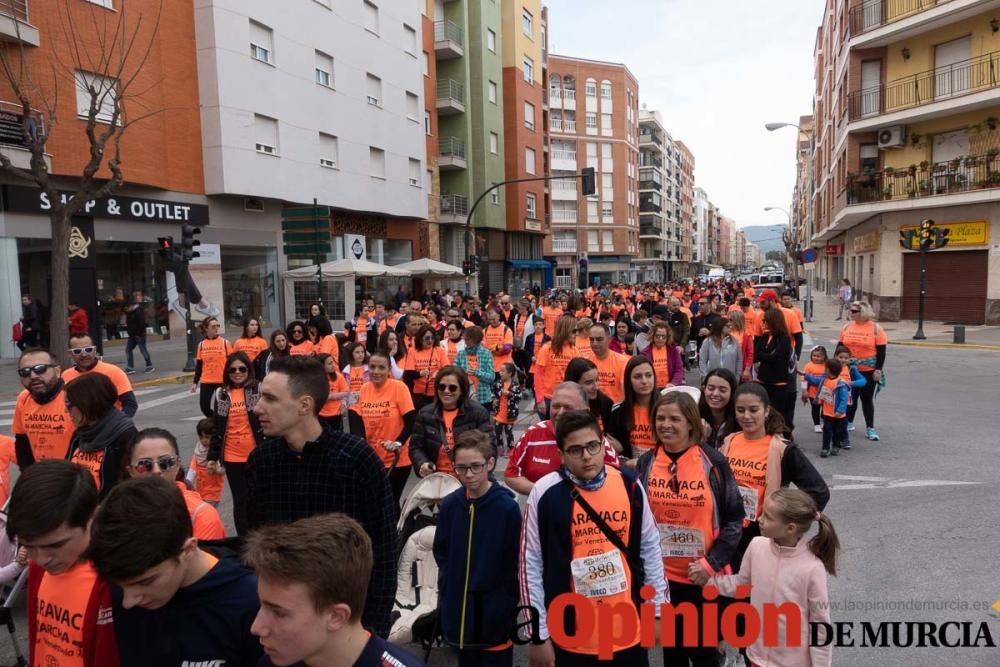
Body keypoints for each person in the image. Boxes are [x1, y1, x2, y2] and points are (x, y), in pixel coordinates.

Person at [245, 355, 398, 637]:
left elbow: (385, 550)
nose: (257, 408)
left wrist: (373, 629)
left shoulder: (356, 460)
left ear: (305, 405)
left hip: (344, 625)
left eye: (270, 398)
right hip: (282, 625)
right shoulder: (260, 462)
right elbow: (251, 547)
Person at [520, 410, 668, 666]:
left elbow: (651, 550)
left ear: (603, 445)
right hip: (571, 634)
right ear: (561, 454)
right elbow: (529, 565)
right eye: (576, 450)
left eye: (592, 446)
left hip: (627, 629)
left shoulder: (628, 482)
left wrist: (657, 611)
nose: (587, 456)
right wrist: (537, 635)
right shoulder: (544, 493)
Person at [88, 476, 262, 667]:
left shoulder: (253, 601)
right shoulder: (127, 578)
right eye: (120, 585)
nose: (128, 602)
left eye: (145, 582)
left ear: (188, 550)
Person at [637, 392, 744, 667]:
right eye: (660, 418)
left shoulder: (713, 462)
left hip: (702, 578)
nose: (666, 425)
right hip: (661, 580)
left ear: (691, 424)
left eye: (674, 419)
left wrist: (711, 563)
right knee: (672, 654)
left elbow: (734, 519)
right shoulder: (647, 462)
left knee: (704, 653)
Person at [247, 513, 425, 667]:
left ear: (336, 616)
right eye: (261, 604)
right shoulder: (275, 661)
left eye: (278, 613)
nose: (256, 627)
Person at [706, 488, 837, 667]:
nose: (759, 519)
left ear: (790, 528)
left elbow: (820, 625)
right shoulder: (756, 546)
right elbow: (742, 584)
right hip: (757, 656)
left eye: (768, 517)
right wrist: (708, 582)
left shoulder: (812, 568)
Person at [7, 460, 119, 666]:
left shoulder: (122, 577)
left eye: (56, 545)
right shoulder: (39, 568)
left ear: (92, 518)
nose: (41, 559)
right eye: (29, 546)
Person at [433, 430, 520, 666]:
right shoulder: (451, 505)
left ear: (490, 463)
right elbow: (441, 551)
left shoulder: (506, 508)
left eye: (476, 467)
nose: (468, 475)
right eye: (461, 468)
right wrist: (449, 585)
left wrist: (505, 602)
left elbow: (515, 562)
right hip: (458, 615)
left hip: (494, 617)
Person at [723, 383, 829, 568]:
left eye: (753, 410)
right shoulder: (729, 441)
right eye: (740, 410)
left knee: (761, 589)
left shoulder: (782, 448)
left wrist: (788, 522)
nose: (746, 416)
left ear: (766, 411)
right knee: (734, 589)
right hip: (730, 530)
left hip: (762, 534)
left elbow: (819, 491)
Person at [503, 382, 619, 496]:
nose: (560, 413)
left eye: (568, 407)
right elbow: (511, 475)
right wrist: (544, 493)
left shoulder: (597, 443)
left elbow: (617, 482)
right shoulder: (532, 434)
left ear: (585, 411)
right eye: (556, 406)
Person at [125, 427, 226, 540]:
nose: (156, 471)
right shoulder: (116, 512)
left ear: (178, 465)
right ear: (131, 471)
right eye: (144, 464)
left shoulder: (201, 516)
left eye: (166, 462)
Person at [206, 351, 265, 535]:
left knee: (258, 498)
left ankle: (260, 537)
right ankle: (243, 540)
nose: (237, 372)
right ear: (227, 373)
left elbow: (269, 420)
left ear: (249, 369)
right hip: (232, 457)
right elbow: (217, 428)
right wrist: (212, 457)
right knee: (240, 501)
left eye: (242, 368)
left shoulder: (258, 389)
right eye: (232, 370)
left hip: (256, 454)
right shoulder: (221, 394)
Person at [349, 352, 416, 501]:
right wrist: (360, 443)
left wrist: (398, 443)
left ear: (389, 369)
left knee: (390, 500)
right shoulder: (364, 389)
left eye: (381, 367)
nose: (376, 372)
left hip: (397, 459)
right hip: (372, 458)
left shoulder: (399, 387)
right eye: (372, 367)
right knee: (374, 501)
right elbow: (355, 418)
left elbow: (411, 421)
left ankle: (396, 525)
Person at [410, 365, 492, 478]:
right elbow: (416, 447)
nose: (446, 391)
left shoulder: (478, 413)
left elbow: (490, 448)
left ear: (462, 390)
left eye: (452, 388)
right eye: (441, 387)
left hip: (469, 480)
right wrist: (422, 463)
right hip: (437, 480)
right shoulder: (425, 414)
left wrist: (475, 474)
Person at [65, 372, 136, 498]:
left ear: (87, 403)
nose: (66, 410)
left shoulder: (125, 436)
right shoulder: (80, 433)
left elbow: (128, 486)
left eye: (69, 405)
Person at [12, 348, 76, 468]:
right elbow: (22, 442)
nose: (33, 376)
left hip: (73, 474)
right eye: (25, 372)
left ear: (57, 371)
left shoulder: (74, 395)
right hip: (40, 475)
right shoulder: (23, 398)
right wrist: (28, 473)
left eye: (40, 369)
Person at [838, 301, 886, 442]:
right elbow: (840, 348)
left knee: (866, 399)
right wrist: (834, 366)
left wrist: (878, 369)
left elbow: (882, 352)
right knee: (849, 398)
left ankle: (870, 428)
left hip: (867, 369)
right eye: (850, 311)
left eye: (854, 311)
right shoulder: (847, 327)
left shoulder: (876, 329)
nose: (851, 313)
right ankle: (849, 423)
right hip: (848, 369)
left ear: (863, 312)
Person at [63, 333, 138, 417]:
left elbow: (130, 404)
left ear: (95, 350)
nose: (83, 355)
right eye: (77, 351)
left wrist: (117, 425)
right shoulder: (65, 375)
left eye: (88, 349)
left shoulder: (113, 371)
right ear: (70, 354)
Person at [607, 355, 659, 466]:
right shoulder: (618, 411)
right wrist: (621, 450)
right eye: (638, 377)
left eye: (648, 375)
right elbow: (613, 451)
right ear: (628, 380)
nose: (644, 381)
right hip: (630, 471)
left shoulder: (666, 408)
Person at [800, 358, 853, 458]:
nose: (824, 369)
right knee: (827, 430)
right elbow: (815, 380)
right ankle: (825, 448)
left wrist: (840, 411)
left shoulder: (841, 384)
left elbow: (844, 399)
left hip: (838, 414)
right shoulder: (824, 379)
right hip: (827, 412)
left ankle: (836, 446)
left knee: (837, 431)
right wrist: (805, 374)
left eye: (826, 368)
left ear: (829, 369)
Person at [754, 306, 795, 433]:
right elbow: (757, 353)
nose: (764, 324)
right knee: (763, 409)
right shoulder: (765, 336)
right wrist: (768, 355)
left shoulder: (784, 338)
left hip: (778, 381)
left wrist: (765, 355)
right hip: (763, 379)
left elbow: (777, 357)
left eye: (766, 321)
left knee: (778, 412)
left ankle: (780, 434)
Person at [530, 316, 576, 417]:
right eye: (573, 330)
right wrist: (540, 400)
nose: (576, 334)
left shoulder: (574, 350)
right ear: (565, 330)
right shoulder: (546, 349)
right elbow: (538, 375)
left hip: (567, 398)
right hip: (548, 399)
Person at [192, 316, 234, 418]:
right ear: (206, 328)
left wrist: (231, 381)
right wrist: (195, 382)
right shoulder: (201, 345)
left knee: (219, 408)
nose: (216, 328)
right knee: (204, 407)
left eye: (217, 326)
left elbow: (232, 363)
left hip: (221, 381)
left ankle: (218, 427)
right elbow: (199, 366)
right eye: (213, 326)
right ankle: (214, 422)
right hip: (206, 381)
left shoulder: (225, 343)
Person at [403, 324, 449, 412]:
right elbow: (408, 374)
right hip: (419, 395)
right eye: (427, 338)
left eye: (432, 338)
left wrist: (439, 372)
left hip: (436, 393)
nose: (430, 341)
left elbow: (447, 369)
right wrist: (420, 373)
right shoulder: (413, 351)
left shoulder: (439, 351)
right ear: (420, 338)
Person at [564, 357, 614, 438]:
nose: (596, 387)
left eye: (597, 380)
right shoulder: (561, 406)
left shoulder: (606, 403)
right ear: (574, 383)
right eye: (589, 383)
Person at [582, 322, 629, 403]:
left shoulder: (622, 361)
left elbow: (626, 391)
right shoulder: (584, 360)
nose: (595, 343)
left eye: (599, 339)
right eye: (592, 339)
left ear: (609, 339)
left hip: (613, 410)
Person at [187, 418, 225, 508]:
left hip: (212, 493)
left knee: (207, 512)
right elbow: (192, 470)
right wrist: (187, 483)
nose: (204, 440)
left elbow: (223, 470)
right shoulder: (198, 451)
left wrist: (216, 469)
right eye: (201, 437)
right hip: (200, 491)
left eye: (207, 437)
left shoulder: (216, 452)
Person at [698, 368, 738, 450]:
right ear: (704, 389)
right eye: (711, 388)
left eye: (722, 390)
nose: (715, 394)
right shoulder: (695, 417)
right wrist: (701, 440)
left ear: (732, 392)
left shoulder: (739, 421)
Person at [640, 320, 684, 388]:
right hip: (652, 388)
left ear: (667, 337)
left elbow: (679, 370)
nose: (660, 339)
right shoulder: (645, 353)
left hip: (670, 387)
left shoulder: (673, 350)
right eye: (658, 336)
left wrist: (673, 383)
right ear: (653, 336)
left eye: (663, 336)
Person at [491, 362, 522, 456]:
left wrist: (509, 394)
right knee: (497, 432)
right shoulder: (497, 384)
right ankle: (499, 447)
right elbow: (493, 392)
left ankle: (510, 448)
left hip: (510, 414)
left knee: (509, 433)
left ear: (510, 373)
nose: (500, 372)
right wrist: (494, 400)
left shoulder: (515, 385)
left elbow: (519, 397)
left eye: (503, 371)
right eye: (500, 370)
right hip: (499, 413)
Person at [316, 353, 350, 431]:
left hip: (336, 413)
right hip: (320, 413)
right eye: (330, 363)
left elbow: (346, 392)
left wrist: (332, 396)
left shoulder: (339, 376)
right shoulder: (316, 379)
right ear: (322, 365)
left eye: (333, 362)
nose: (333, 365)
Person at [124, 290, 155, 373]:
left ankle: (149, 365)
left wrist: (138, 334)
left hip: (139, 335)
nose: (126, 309)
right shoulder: (131, 313)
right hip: (133, 335)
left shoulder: (138, 311)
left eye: (127, 308)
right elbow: (129, 323)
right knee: (128, 349)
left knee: (143, 350)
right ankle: (130, 367)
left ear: (131, 306)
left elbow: (141, 323)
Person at [800, 346, 828, 434]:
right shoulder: (808, 366)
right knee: (815, 408)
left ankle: (824, 420)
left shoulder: (827, 365)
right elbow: (803, 378)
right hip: (813, 392)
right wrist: (804, 390)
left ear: (824, 356)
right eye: (814, 356)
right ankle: (817, 424)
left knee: (825, 408)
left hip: (825, 391)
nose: (816, 358)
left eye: (818, 356)